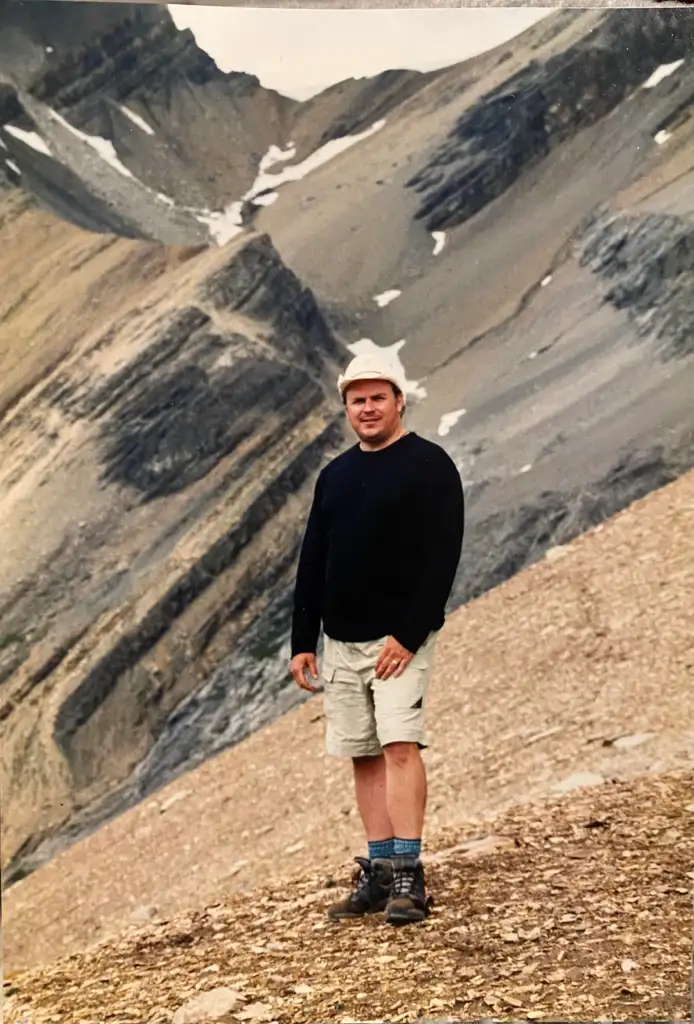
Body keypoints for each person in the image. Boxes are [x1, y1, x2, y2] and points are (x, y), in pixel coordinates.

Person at [289, 351, 464, 925]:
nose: (367, 408)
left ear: (398, 401)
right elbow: (314, 559)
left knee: (399, 746)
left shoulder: (429, 465)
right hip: (340, 641)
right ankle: (381, 869)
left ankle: (410, 873)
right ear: (346, 408)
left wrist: (409, 634)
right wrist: (303, 640)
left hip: (398, 641)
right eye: (357, 399)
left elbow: (443, 556)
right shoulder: (335, 476)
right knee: (362, 753)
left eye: (377, 397)